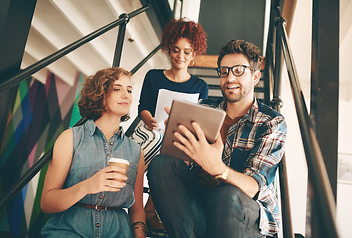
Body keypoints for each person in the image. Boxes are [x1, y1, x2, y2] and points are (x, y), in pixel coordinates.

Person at [147, 39, 287, 238]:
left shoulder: (271, 122)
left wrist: (217, 168)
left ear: (255, 76)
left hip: (246, 217)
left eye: (238, 70)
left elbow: (254, 186)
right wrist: (178, 136)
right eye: (224, 71)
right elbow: (183, 166)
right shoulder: (205, 110)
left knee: (226, 194)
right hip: (204, 209)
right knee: (162, 163)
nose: (229, 77)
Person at [40, 67, 147, 238]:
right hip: (69, 231)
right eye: (117, 89)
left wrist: (140, 234)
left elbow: (137, 209)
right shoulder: (70, 138)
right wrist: (87, 186)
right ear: (100, 94)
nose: (126, 95)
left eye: (129, 90)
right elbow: (47, 203)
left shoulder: (136, 151)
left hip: (118, 232)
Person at [130, 18, 209, 230]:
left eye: (186, 52)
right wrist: (148, 118)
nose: (180, 56)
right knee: (154, 141)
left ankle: (150, 209)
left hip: (178, 137)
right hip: (150, 130)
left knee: (176, 152)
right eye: (175, 50)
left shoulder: (200, 86)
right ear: (168, 49)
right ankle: (140, 210)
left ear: (193, 55)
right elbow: (143, 106)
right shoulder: (154, 77)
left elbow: (198, 121)